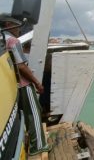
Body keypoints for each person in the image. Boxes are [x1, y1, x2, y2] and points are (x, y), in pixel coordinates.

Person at [0, 13, 51, 156]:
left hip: (13, 86)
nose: (19, 30)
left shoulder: (3, 40)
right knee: (34, 112)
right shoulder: (13, 41)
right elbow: (21, 66)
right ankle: (39, 145)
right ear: (9, 25)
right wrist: (37, 83)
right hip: (23, 84)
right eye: (17, 26)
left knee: (27, 114)